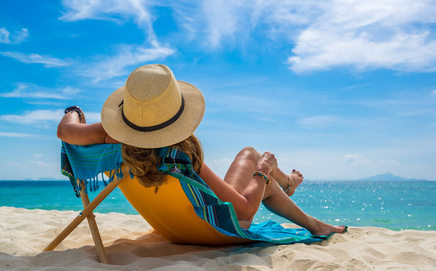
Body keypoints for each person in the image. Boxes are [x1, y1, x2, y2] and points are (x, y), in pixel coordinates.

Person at [57, 64, 345, 237]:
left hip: (169, 229)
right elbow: (244, 210)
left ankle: (289, 185)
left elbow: (65, 131)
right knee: (253, 157)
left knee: (254, 163)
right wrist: (264, 171)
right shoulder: (180, 156)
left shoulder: (111, 139)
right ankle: (301, 205)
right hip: (213, 231)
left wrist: (74, 112)